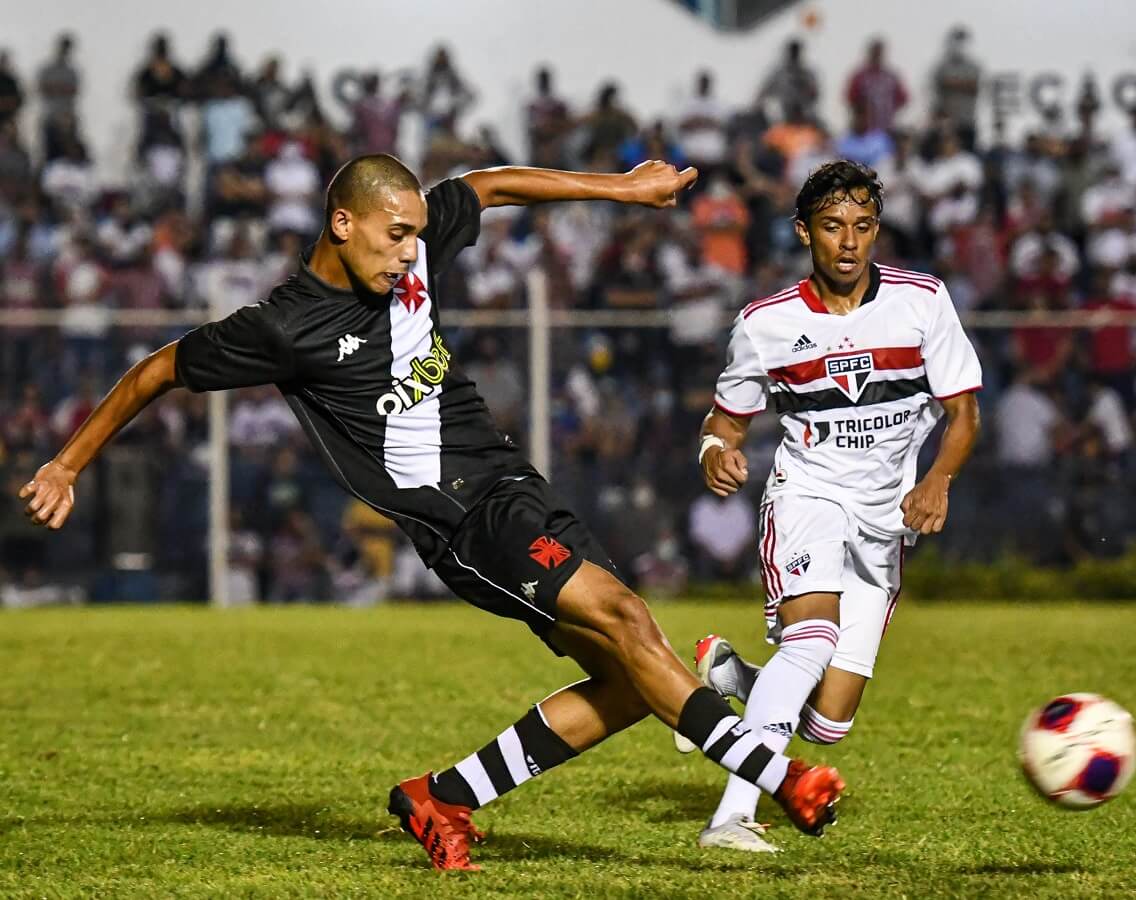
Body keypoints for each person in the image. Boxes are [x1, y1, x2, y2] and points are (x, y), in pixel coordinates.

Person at [19, 153, 843, 870]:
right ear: (342, 224)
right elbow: (157, 369)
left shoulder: (412, 245)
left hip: (514, 485)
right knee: (630, 621)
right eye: (394, 235)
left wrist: (622, 192)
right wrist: (67, 461)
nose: (412, 252)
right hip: (464, 524)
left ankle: (438, 797)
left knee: (633, 681)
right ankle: (782, 778)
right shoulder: (285, 327)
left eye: (416, 233)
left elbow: (483, 186)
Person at [677, 160, 981, 851]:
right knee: (811, 640)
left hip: (885, 520)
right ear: (803, 232)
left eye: (863, 226)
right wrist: (714, 455)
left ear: (877, 231)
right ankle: (732, 816)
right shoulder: (765, 324)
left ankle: (736, 681)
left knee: (830, 721)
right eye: (833, 226)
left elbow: (964, 415)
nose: (849, 242)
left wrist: (938, 480)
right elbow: (724, 425)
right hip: (807, 494)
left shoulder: (923, 302)